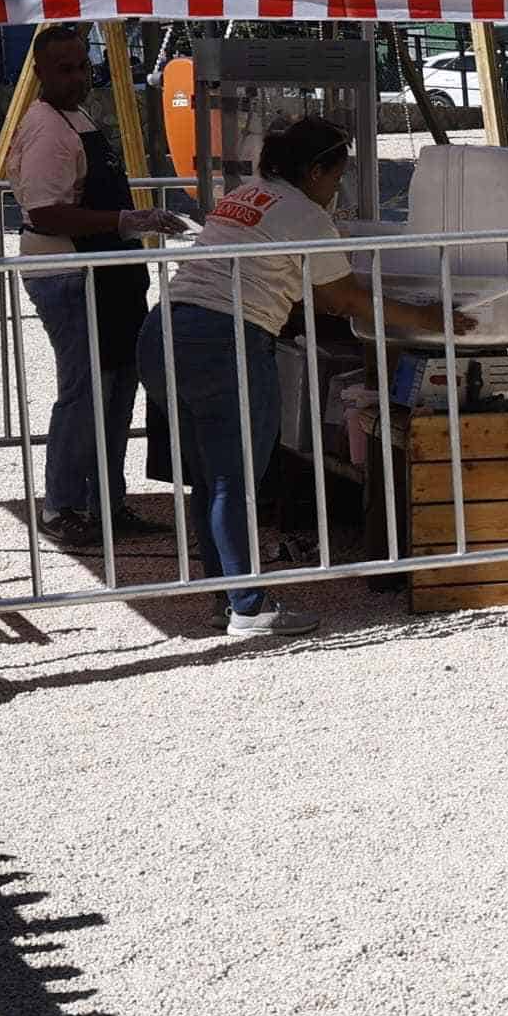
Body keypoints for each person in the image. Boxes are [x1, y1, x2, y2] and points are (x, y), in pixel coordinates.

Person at [142, 116, 454, 638]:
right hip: (226, 342)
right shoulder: (304, 215)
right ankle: (248, 608)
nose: (337, 189)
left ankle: (228, 596)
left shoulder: (248, 193)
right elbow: (343, 298)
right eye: (337, 177)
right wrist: (428, 317)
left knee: (211, 478)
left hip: (166, 329)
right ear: (315, 171)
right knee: (233, 479)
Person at [9, 22, 183, 535]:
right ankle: (61, 507)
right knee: (83, 390)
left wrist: (134, 222)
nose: (78, 77)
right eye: (65, 69)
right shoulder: (44, 127)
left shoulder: (76, 116)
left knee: (116, 388)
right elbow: (45, 213)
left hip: (107, 272)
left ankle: (106, 501)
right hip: (67, 272)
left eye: (82, 66)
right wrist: (125, 221)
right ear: (40, 72)